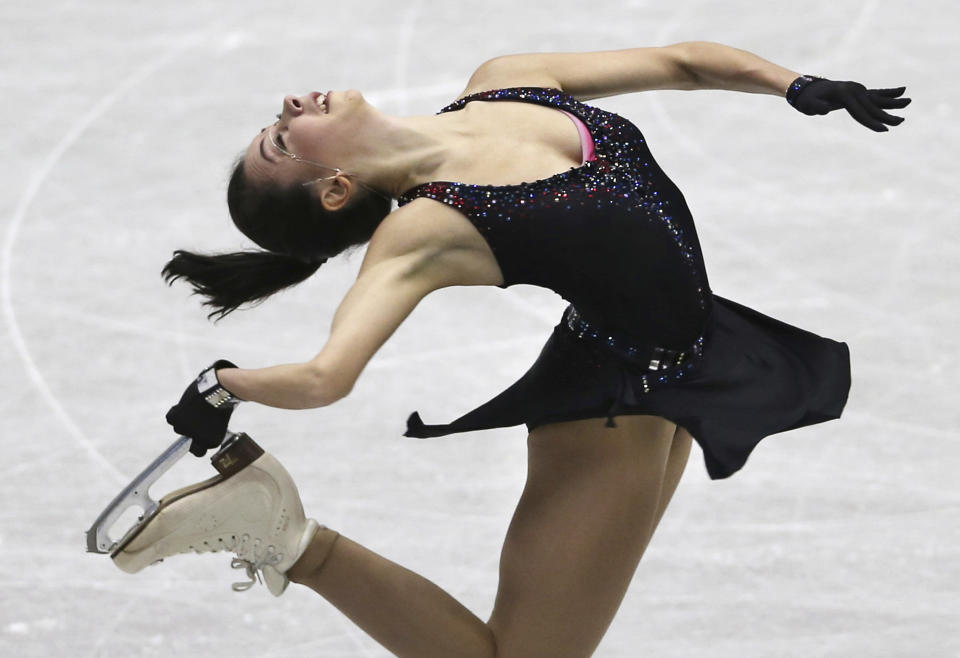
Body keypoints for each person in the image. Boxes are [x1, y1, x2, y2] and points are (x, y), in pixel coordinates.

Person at [121, 42, 910, 657]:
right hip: (613, 407)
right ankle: (287, 538)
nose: (292, 105)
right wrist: (227, 384)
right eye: (282, 139)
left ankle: (287, 536)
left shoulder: (504, 82)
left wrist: (797, 84)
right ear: (334, 188)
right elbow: (330, 376)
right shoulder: (421, 232)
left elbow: (680, 63)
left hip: (687, 369)